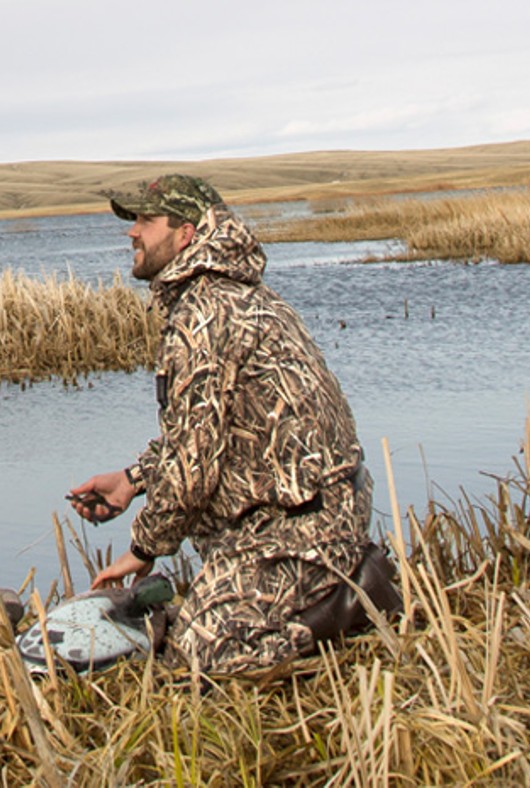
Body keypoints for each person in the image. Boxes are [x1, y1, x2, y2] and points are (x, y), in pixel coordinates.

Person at [69, 174, 397, 675]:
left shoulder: (205, 315)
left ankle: (350, 602)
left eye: (144, 221)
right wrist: (133, 480)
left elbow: (194, 468)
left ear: (187, 235)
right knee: (187, 630)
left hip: (300, 526)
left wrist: (143, 549)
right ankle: (315, 583)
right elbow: (204, 435)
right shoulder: (236, 297)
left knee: (206, 655)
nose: (132, 234)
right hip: (311, 509)